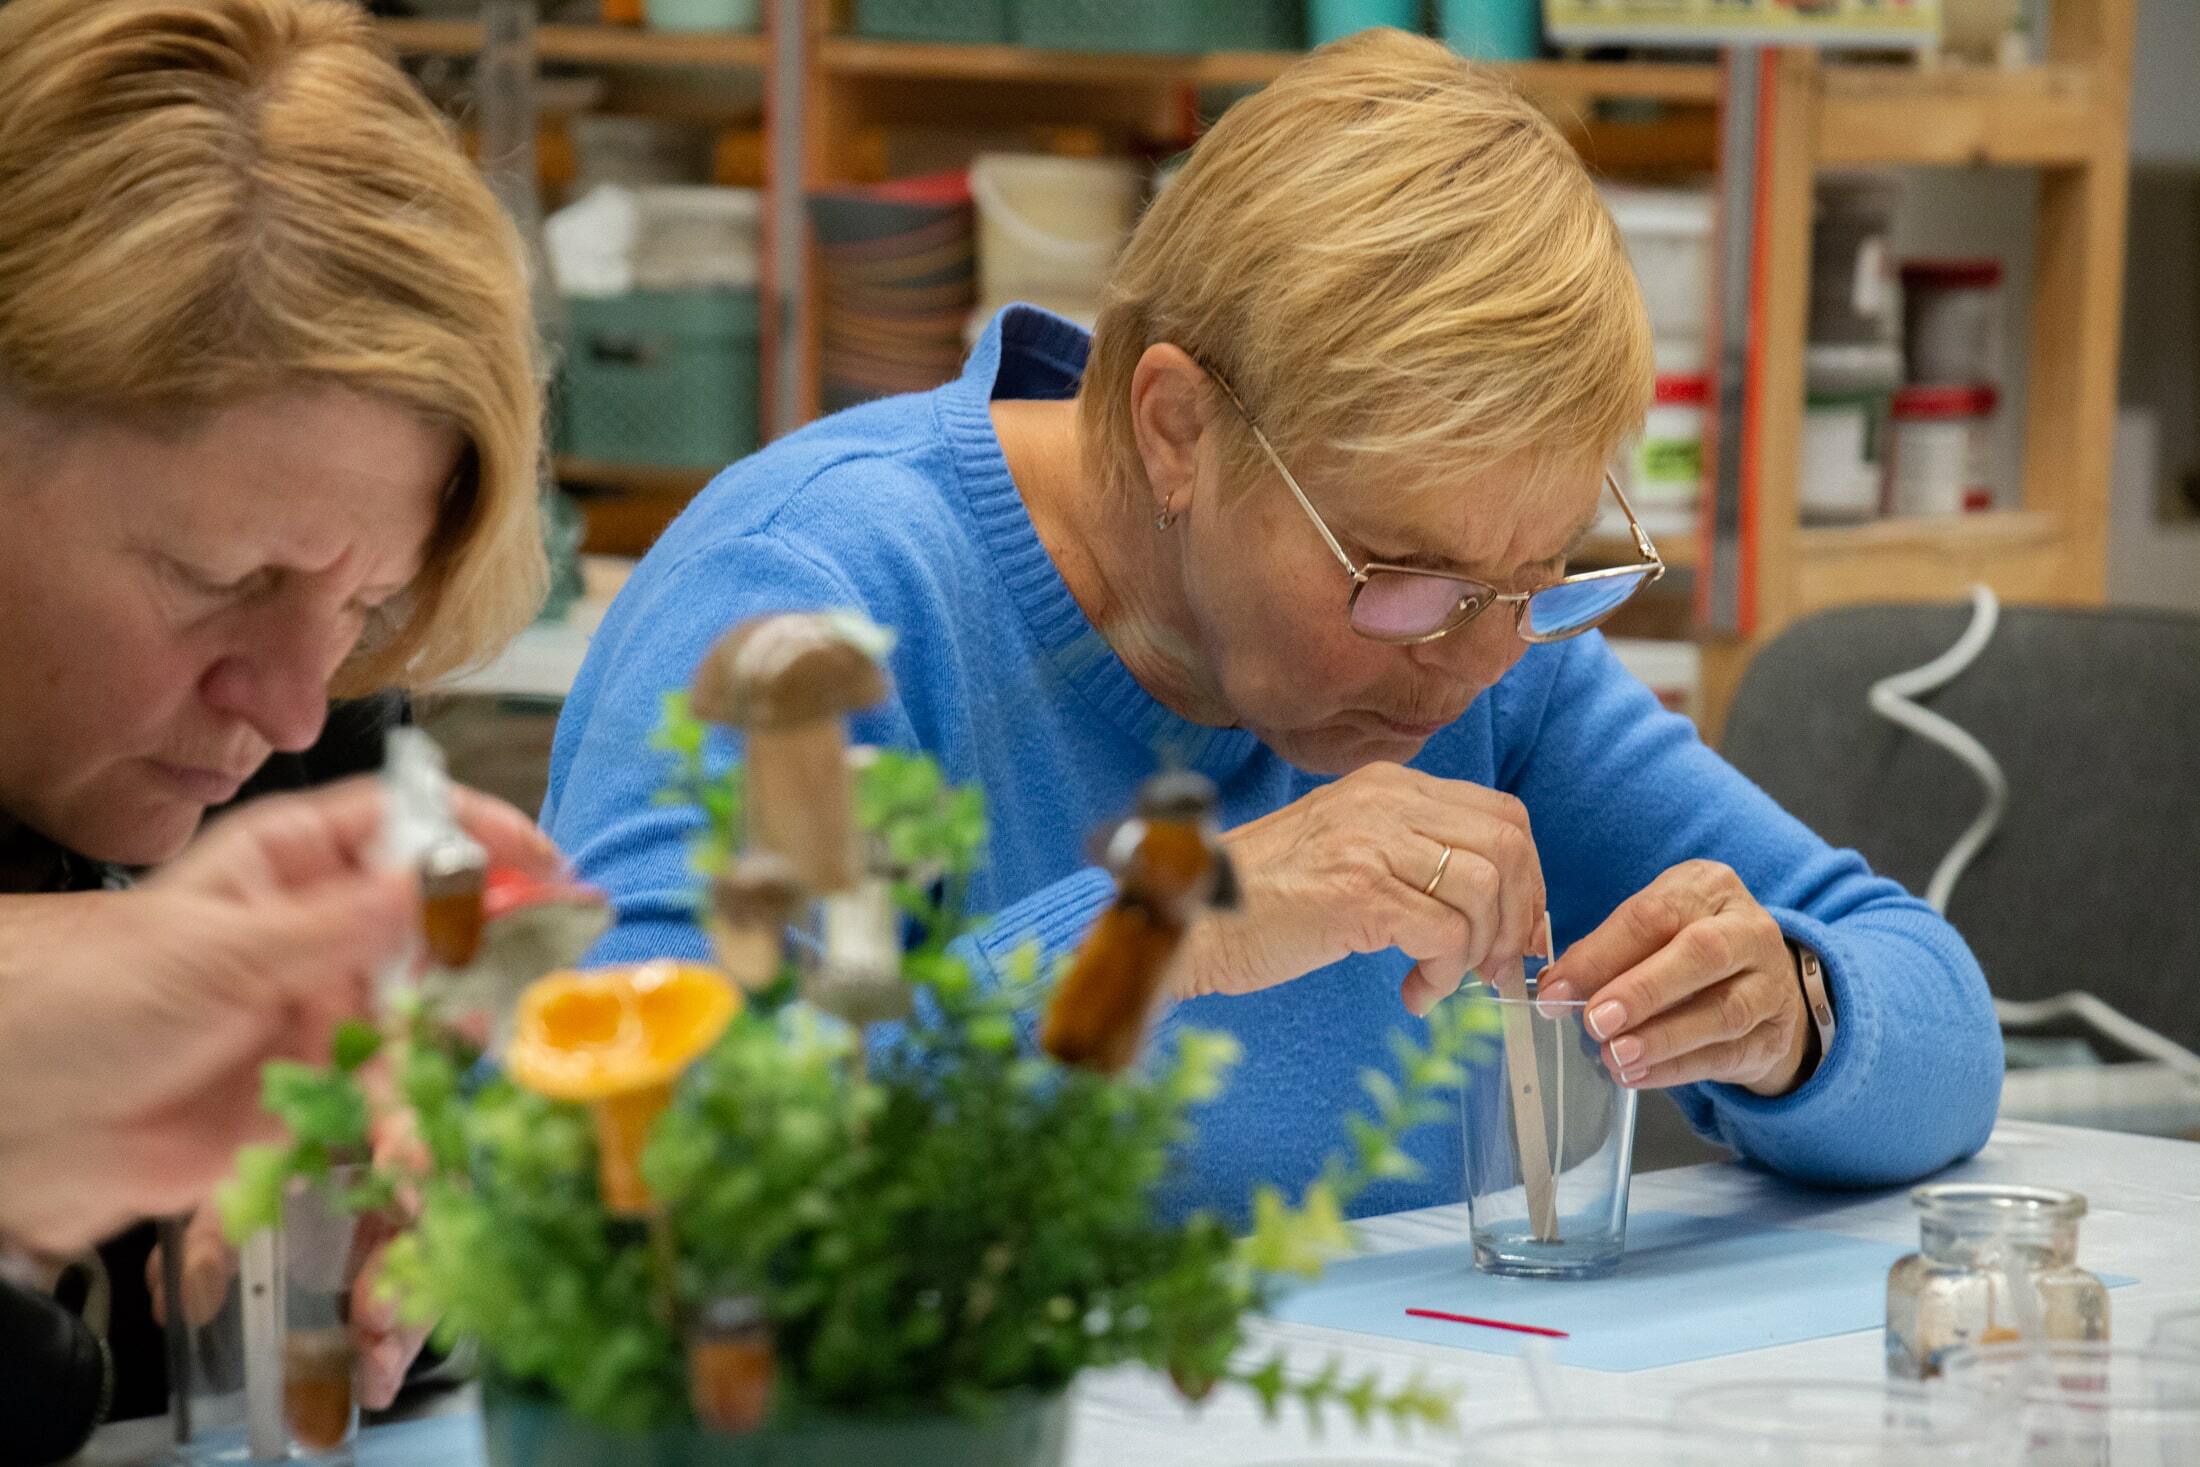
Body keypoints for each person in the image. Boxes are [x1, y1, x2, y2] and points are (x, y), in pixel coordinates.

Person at [544, 31, 2003, 1224]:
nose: (1479, 657)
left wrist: (1794, 1011)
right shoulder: (815, 602)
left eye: (1538, 574)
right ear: (1177, 428)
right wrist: (1164, 932)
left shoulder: (1481, 636)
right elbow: (619, 1150)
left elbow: (1940, 1023)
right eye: (1400, 573)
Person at [0, 0, 549, 1430]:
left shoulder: (309, 716)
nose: (290, 702)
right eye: (214, 577)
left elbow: (402, 1313)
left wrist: (392, 1237)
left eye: (368, 607)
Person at [0, 781, 561, 1464]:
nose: (292, 716)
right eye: (207, 661)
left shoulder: (321, 743)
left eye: (338, 670)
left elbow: (415, 1341)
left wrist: (413, 1270)